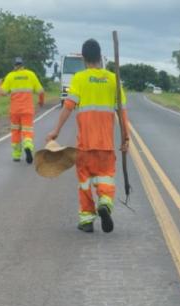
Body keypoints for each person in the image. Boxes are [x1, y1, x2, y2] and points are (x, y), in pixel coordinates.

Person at [45, 39, 128, 233]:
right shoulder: (113, 79)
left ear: (84, 58)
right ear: (100, 57)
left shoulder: (79, 79)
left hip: (84, 145)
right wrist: (126, 138)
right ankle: (105, 203)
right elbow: (122, 113)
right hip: (106, 145)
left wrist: (56, 130)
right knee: (106, 178)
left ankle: (87, 221)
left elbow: (68, 107)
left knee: (85, 182)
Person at [0, 57, 45, 163]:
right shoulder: (31, 75)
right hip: (27, 110)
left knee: (16, 131)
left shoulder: (10, 76)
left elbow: (2, 93)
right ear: (23, 65)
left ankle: (16, 155)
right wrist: (41, 101)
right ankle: (27, 146)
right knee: (27, 130)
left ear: (14, 65)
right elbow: (41, 91)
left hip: (14, 111)